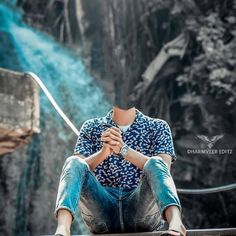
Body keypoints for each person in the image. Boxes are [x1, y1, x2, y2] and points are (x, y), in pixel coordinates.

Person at [54, 106, 186, 236]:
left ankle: (176, 223)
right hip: (102, 212)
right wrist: (103, 152)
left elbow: (163, 169)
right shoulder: (91, 126)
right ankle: (63, 230)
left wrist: (124, 150)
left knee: (156, 162)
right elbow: (77, 169)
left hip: (142, 211)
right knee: (73, 162)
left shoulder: (158, 126)